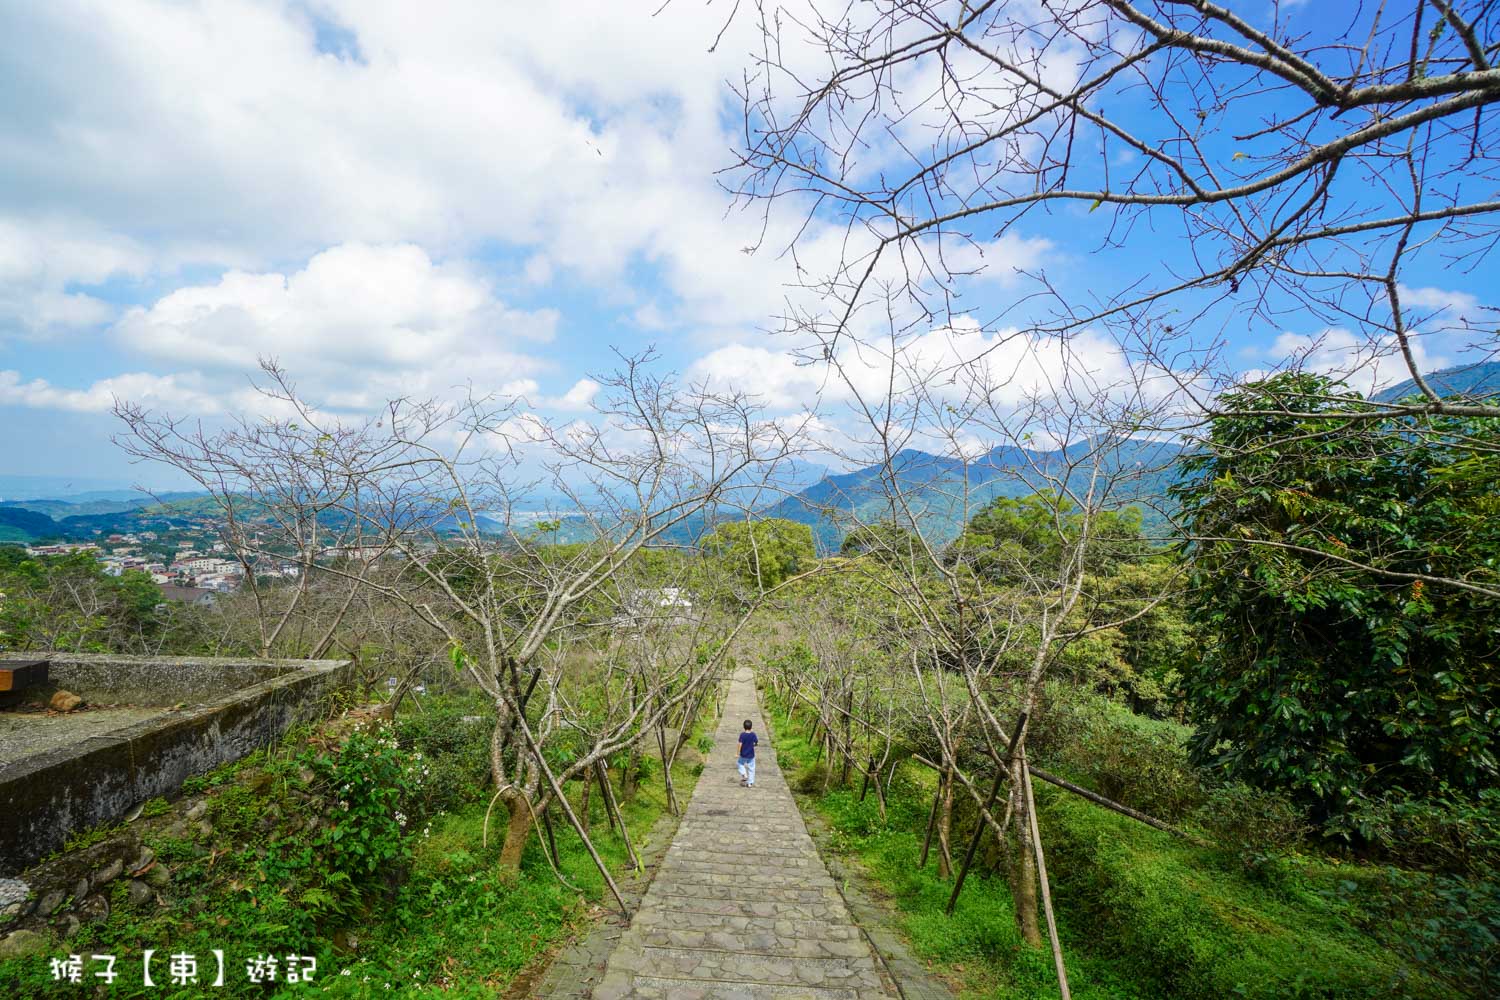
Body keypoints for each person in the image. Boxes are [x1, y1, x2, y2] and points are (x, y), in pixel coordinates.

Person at [736, 718, 759, 787]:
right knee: (751, 768)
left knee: (740, 763)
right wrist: (754, 745)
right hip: (751, 755)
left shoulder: (742, 735)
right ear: (751, 727)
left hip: (743, 754)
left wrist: (737, 753)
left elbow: (740, 744)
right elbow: (756, 742)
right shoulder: (753, 734)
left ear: (744, 727)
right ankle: (750, 783)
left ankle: (744, 774)